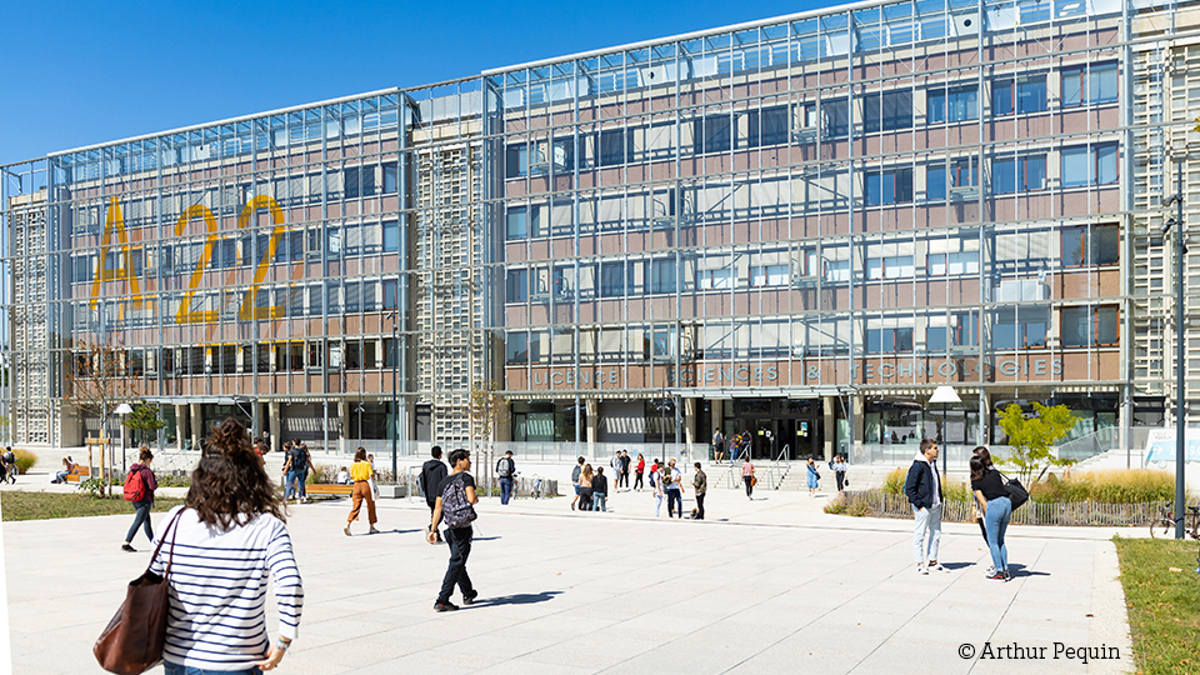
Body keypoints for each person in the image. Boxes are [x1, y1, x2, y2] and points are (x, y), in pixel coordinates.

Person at [151, 418, 302, 673]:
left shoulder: (175, 520)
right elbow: (291, 585)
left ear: (201, 476)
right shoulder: (266, 527)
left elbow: (153, 581)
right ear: (252, 478)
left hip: (179, 658)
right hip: (237, 661)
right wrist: (283, 641)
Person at [427, 448, 479, 612]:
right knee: (456, 562)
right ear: (459, 461)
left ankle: (468, 593)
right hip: (462, 529)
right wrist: (475, 499)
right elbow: (471, 498)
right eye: (467, 459)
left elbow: (437, 508)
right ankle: (442, 600)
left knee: (459, 560)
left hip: (449, 528)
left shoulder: (443, 482)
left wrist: (433, 529)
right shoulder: (466, 478)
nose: (469, 463)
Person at [904, 439, 945, 574]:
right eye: (935, 448)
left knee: (936, 534)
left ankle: (933, 561)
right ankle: (920, 563)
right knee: (920, 534)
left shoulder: (932, 464)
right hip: (924, 507)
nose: (937, 450)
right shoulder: (918, 465)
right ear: (927, 450)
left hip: (935, 505)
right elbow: (910, 488)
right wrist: (919, 505)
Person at [971, 448, 1011, 580]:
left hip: (994, 505)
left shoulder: (976, 480)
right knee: (1001, 540)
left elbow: (982, 502)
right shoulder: (994, 473)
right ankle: (1005, 569)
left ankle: (999, 571)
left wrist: (990, 515)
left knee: (992, 541)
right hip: (1006, 503)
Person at [121, 447, 158, 552]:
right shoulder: (147, 471)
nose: (150, 463)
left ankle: (154, 543)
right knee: (138, 521)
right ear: (147, 460)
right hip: (144, 499)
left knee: (147, 521)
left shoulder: (133, 470)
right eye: (150, 461)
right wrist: (155, 482)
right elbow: (152, 486)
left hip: (135, 498)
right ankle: (126, 543)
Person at [345, 448, 380, 536]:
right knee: (370, 505)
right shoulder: (367, 464)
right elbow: (371, 475)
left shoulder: (353, 465)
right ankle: (371, 526)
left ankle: (348, 524)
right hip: (365, 484)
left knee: (356, 506)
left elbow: (352, 476)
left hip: (356, 485)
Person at [421, 446, 449, 542]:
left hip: (429, 493)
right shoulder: (442, 467)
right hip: (439, 495)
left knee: (434, 513)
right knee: (440, 513)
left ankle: (437, 535)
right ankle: (431, 527)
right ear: (440, 455)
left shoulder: (426, 465)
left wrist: (425, 491)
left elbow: (423, 479)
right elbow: (445, 481)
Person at [971, 447, 993, 545]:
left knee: (991, 534)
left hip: (989, 503)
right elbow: (975, 491)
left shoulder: (991, 471)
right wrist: (974, 506)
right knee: (985, 532)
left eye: (976, 457)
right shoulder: (976, 470)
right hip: (981, 503)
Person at [281, 439, 315, 503]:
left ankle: (286, 499)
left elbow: (289, 461)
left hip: (294, 470)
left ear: (294, 443)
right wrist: (313, 470)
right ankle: (299, 498)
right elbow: (308, 461)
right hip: (302, 469)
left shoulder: (293, 451)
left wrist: (285, 470)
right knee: (301, 484)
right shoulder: (303, 451)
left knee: (289, 483)